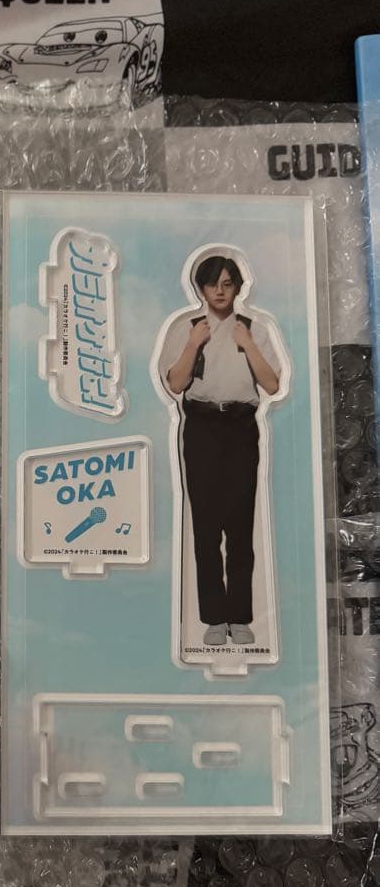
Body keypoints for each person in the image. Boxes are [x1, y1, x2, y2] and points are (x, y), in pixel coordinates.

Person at [157, 254, 281, 647]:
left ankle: (240, 617)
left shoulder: (253, 328)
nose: (221, 291)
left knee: (240, 525)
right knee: (206, 527)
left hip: (241, 427)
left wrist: (248, 345)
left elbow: (272, 384)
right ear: (201, 288)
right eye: (213, 284)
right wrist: (194, 344)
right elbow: (176, 383)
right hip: (202, 427)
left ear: (238, 287)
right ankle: (213, 618)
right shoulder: (186, 327)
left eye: (228, 283)